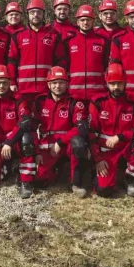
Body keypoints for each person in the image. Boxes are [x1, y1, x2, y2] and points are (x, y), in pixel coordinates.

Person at [0, 65, 36, 197]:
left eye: (4, 82)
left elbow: (25, 120)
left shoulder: (18, 100)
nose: (1, 86)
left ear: (10, 83)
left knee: (27, 139)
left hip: (13, 141)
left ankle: (25, 181)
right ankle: (8, 166)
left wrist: (9, 142)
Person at [89, 64, 134, 198]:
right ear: (106, 84)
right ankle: (110, 174)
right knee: (104, 191)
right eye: (112, 83)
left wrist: (120, 136)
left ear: (125, 82)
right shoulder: (98, 102)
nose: (116, 87)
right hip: (105, 152)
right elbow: (91, 133)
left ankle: (132, 179)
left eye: (119, 83)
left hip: (125, 148)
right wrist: (98, 159)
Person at [34, 67, 89, 198]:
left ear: (67, 83)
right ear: (48, 84)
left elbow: (80, 127)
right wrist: (36, 152)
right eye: (54, 83)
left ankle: (75, 183)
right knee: (41, 181)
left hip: (66, 144)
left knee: (79, 143)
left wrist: (60, 142)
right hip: (47, 146)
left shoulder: (74, 102)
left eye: (61, 82)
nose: (58, 86)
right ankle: (56, 170)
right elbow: (32, 127)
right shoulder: (40, 101)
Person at [7, 0, 68, 103]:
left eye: (38, 12)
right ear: (27, 14)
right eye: (32, 12)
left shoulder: (53, 34)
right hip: (23, 90)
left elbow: (60, 61)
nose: (35, 15)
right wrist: (12, 82)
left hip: (47, 90)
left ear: (43, 14)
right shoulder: (18, 35)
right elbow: (12, 61)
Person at [67, 5, 109, 104]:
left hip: (97, 93)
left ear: (93, 21)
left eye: (88, 20)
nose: (85, 22)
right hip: (75, 93)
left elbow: (107, 65)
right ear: (77, 22)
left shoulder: (102, 41)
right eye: (82, 20)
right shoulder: (69, 42)